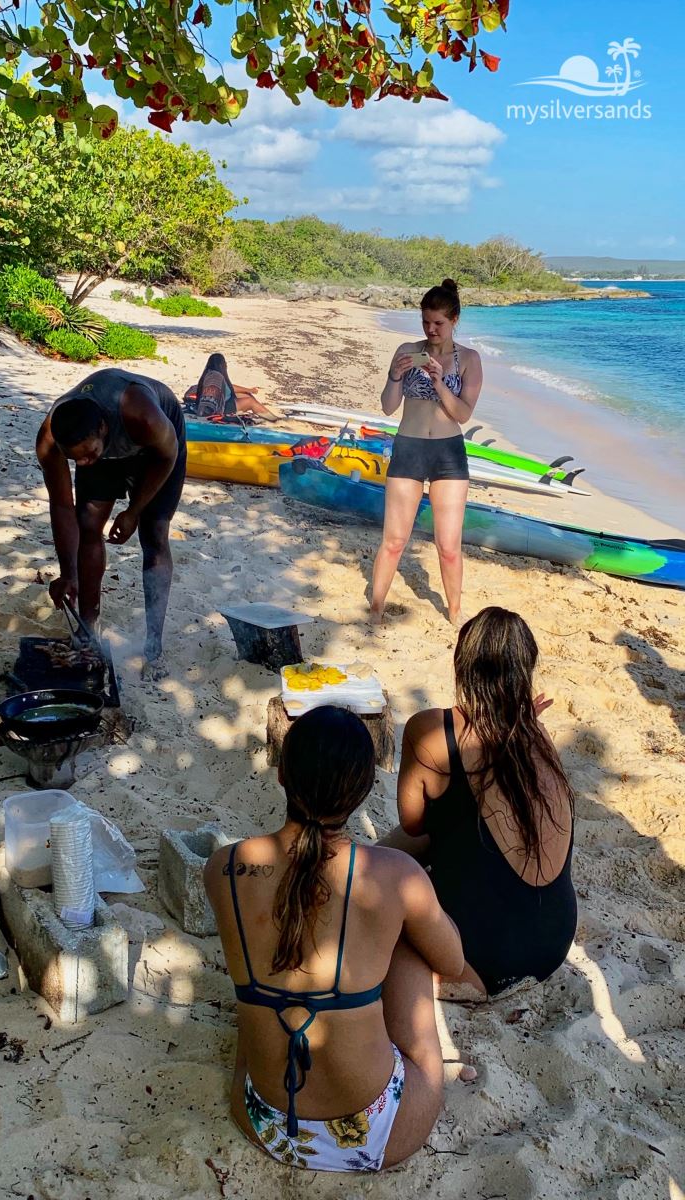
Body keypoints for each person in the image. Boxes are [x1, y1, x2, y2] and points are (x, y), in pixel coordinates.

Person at [204, 706, 464, 1173]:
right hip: (377, 1132)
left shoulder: (223, 868)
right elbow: (453, 960)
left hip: (264, 1119)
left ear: (282, 773)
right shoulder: (395, 875)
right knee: (409, 939)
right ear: (364, 790)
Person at [383, 608, 577, 999]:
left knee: (389, 872)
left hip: (480, 957)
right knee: (457, 826)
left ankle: (339, 873)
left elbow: (414, 824)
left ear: (461, 664)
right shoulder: (538, 734)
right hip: (554, 942)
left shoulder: (432, 730)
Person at [35, 368, 186, 679]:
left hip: (157, 450)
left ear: (103, 428)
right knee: (89, 523)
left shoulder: (143, 416)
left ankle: (153, 647)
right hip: (106, 448)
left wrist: (134, 510)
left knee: (154, 534)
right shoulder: (52, 439)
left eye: (87, 455)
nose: (83, 464)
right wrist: (68, 573)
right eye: (76, 459)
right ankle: (88, 626)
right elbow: (62, 505)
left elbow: (167, 456)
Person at [368, 279, 483, 626]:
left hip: (448, 452)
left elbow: (462, 414)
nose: (431, 330)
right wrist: (394, 375)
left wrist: (437, 381)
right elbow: (389, 407)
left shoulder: (470, 360)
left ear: (455, 320)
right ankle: (375, 609)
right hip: (409, 447)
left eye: (439, 324)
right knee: (394, 540)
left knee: (448, 546)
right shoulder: (407, 349)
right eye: (426, 322)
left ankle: (455, 613)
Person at [185, 353, 277, 421]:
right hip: (223, 406)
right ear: (221, 365)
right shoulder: (216, 376)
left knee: (247, 395)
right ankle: (274, 419)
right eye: (225, 363)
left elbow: (231, 387)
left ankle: (263, 412)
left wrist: (249, 390)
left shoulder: (211, 373)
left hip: (225, 399)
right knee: (251, 401)